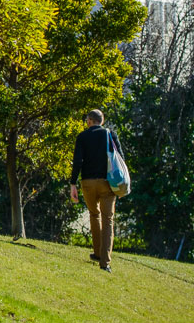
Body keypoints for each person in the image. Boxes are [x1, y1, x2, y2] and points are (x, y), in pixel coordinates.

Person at [69, 109, 124, 272]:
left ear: (89, 121)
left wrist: (73, 183)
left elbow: (78, 160)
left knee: (94, 214)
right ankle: (105, 262)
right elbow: (120, 158)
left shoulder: (82, 136)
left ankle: (98, 252)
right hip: (108, 183)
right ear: (102, 120)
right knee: (108, 220)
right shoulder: (110, 135)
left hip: (88, 182)